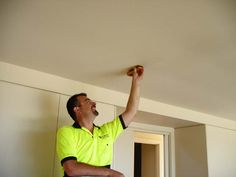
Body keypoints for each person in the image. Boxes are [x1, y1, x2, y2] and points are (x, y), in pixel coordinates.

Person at [56, 66, 144, 177]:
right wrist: (108, 172)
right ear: (77, 109)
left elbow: (131, 112)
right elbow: (71, 168)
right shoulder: (66, 132)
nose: (94, 103)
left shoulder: (106, 131)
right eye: (88, 101)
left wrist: (136, 81)